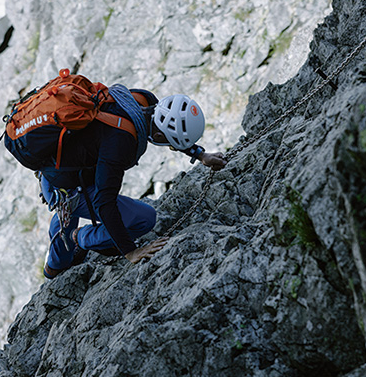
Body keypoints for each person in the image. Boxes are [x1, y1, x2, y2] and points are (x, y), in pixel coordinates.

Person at [39, 86, 226, 279]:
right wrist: (130, 252)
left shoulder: (143, 101)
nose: (169, 146)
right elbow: (104, 203)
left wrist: (200, 154)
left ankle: (55, 264)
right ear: (161, 137)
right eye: (170, 143)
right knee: (144, 218)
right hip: (68, 187)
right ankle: (79, 238)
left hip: (57, 172)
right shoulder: (121, 142)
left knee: (69, 213)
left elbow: (166, 126)